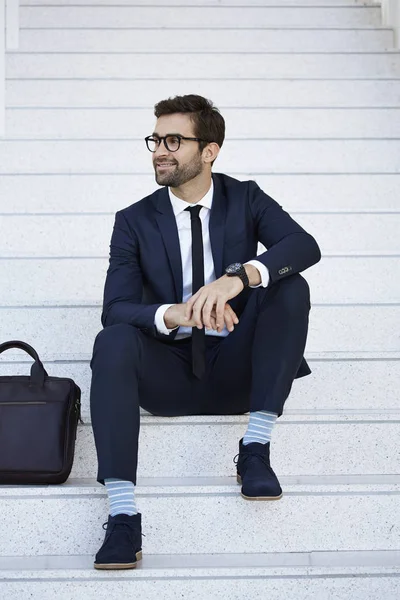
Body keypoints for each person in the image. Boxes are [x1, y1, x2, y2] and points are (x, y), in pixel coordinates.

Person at [89, 94, 321, 570]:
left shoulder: (246, 197)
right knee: (112, 339)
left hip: (240, 370)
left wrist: (238, 277)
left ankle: (255, 446)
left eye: (174, 140)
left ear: (209, 150)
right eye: (156, 139)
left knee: (289, 284)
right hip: (168, 374)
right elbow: (116, 310)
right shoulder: (132, 221)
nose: (160, 150)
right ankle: (122, 514)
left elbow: (303, 244)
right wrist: (176, 313)